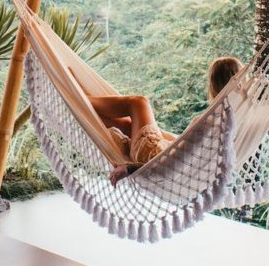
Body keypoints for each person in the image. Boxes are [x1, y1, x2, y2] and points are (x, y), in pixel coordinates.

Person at [90, 55, 243, 186]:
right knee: (127, 125)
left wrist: (129, 169)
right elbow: (184, 144)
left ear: (214, 84)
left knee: (139, 102)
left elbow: (172, 162)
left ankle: (77, 98)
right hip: (159, 151)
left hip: (151, 154)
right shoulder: (232, 119)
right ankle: (77, 100)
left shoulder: (209, 121)